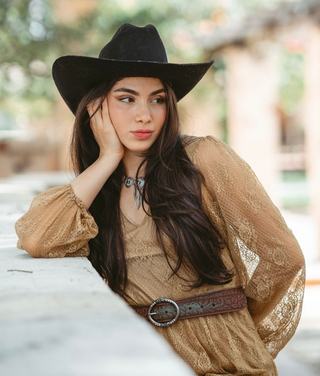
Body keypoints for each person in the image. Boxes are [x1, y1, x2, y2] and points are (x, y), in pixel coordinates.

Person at [15, 23, 305, 376]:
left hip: (226, 356)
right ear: (96, 108)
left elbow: (283, 259)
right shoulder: (96, 191)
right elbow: (36, 237)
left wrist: (232, 322)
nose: (145, 115)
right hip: (139, 359)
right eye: (126, 98)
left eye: (158, 100)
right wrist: (107, 159)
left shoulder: (205, 158)